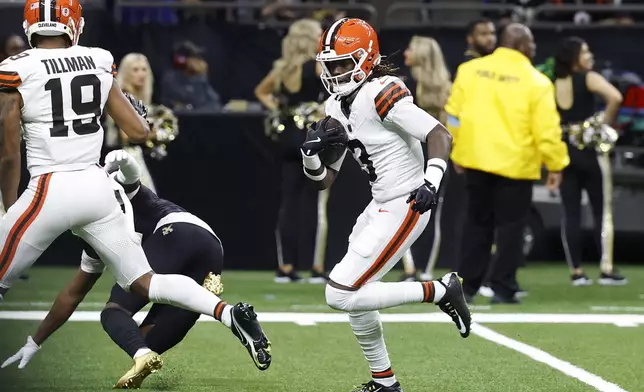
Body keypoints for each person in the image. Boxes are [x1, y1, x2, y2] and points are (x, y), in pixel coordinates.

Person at [0, 0, 270, 377]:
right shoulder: (96, 59)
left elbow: (9, 153)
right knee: (145, 282)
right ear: (74, 24)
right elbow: (139, 132)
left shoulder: (15, 68)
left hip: (50, 184)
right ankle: (225, 313)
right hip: (98, 188)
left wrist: (9, 209)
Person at [1, 149, 272, 387]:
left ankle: (225, 315)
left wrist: (126, 160)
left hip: (173, 232)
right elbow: (71, 295)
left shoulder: (103, 192)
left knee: (115, 310)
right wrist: (34, 341)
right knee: (143, 343)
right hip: (210, 246)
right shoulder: (93, 231)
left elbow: (130, 178)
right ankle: (230, 315)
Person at [303, 18, 471, 392]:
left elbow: (439, 134)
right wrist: (311, 155)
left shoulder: (381, 91)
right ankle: (385, 382)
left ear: (366, 59)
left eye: (344, 62)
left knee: (339, 293)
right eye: (331, 65)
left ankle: (441, 291)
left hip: (407, 200)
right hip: (379, 204)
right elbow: (324, 181)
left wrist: (432, 181)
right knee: (358, 297)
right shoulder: (334, 103)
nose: (336, 71)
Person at [447, 23, 570, 304]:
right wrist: (556, 164)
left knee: (476, 224)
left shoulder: (470, 70)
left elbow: (453, 115)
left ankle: (466, 287)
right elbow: (547, 131)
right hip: (516, 165)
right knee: (511, 228)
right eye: (533, 43)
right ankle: (502, 287)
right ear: (524, 46)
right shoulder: (536, 82)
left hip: (475, 159)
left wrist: (456, 148)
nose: (535, 48)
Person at [255, 19, 329, 283]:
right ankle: (316, 267)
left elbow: (261, 92)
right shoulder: (320, 67)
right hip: (313, 140)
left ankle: (285, 267)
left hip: (287, 141)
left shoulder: (282, 68)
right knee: (317, 203)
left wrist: (281, 110)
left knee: (288, 202)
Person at [553, 37, 626, 286]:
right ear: (574, 57)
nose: (590, 56)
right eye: (585, 52)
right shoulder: (588, 77)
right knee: (601, 211)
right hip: (590, 152)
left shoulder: (552, 82)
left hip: (563, 152)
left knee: (570, 212)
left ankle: (576, 271)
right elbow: (615, 97)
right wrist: (599, 123)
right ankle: (606, 268)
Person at [400, 36, 452, 282]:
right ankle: (426, 270)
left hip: (409, 155)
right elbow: (453, 124)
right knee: (433, 214)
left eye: (410, 48)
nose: (406, 52)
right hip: (437, 157)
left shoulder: (402, 86)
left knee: (404, 211)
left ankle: (410, 270)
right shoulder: (446, 87)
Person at [107, 53, 160, 192]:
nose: (141, 74)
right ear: (126, 72)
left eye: (144, 69)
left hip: (136, 156)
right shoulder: (123, 96)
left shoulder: (141, 98)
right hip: (126, 159)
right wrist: (157, 134)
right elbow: (127, 135)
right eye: (135, 70)